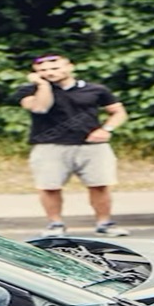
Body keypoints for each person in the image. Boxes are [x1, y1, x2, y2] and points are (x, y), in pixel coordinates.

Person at [15, 54, 130, 237]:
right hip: (49, 145)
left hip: (91, 145)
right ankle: (55, 224)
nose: (50, 73)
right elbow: (40, 108)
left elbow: (118, 112)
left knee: (100, 185)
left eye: (54, 68)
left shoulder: (96, 89)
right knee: (49, 186)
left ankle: (105, 223)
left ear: (69, 67)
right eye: (43, 70)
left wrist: (107, 129)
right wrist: (43, 85)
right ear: (36, 73)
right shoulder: (30, 90)